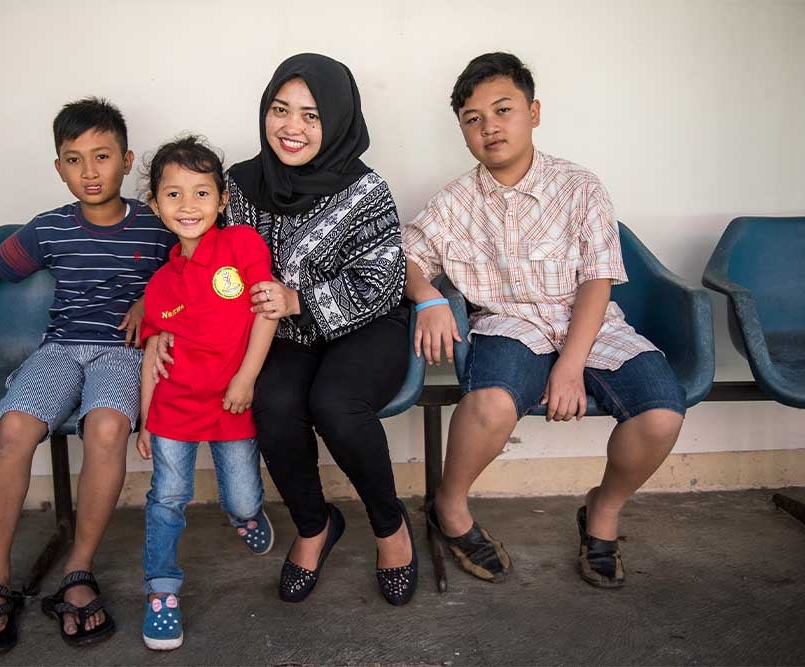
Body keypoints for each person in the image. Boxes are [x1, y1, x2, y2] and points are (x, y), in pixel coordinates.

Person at [0, 98, 175, 654]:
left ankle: (79, 572)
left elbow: (193, 277)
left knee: (108, 427)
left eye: (102, 156)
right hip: (60, 349)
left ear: (126, 159)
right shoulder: (50, 229)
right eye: (74, 159)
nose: (90, 171)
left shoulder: (157, 224)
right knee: (15, 427)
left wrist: (149, 302)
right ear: (59, 168)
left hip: (122, 352)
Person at [402, 52, 686, 589]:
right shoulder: (455, 201)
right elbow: (409, 257)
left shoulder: (580, 186)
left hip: (592, 324)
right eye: (472, 118)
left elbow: (597, 280)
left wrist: (571, 366)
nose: (489, 127)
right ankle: (450, 508)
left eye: (503, 109)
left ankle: (601, 511)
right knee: (489, 404)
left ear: (533, 112)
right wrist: (427, 298)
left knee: (661, 415)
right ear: (462, 130)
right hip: (510, 326)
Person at [159, 53, 417, 606]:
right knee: (271, 404)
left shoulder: (365, 189)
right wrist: (160, 320)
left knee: (336, 404)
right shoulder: (238, 186)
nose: (291, 127)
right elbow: (191, 254)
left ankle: (390, 526)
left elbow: (383, 281)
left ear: (339, 121)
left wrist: (298, 298)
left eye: (311, 115)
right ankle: (314, 525)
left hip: (365, 327)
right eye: (280, 110)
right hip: (279, 334)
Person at [135, 136, 278, 650]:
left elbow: (268, 310)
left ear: (222, 200)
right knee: (167, 497)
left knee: (240, 496)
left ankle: (244, 516)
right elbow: (154, 357)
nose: (188, 206)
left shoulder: (242, 244)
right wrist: (146, 418)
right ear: (155, 205)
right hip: (174, 409)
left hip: (232, 402)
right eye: (173, 195)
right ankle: (161, 591)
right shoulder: (160, 284)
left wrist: (246, 378)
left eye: (201, 193)